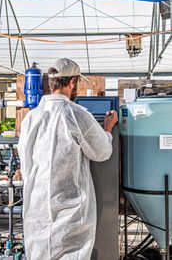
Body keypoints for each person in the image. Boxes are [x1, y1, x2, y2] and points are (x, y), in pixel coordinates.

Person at [18, 58, 118, 260]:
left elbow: (25, 159)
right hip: (69, 213)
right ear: (72, 82)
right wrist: (107, 129)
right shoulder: (76, 114)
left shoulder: (31, 117)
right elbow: (102, 152)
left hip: (36, 208)